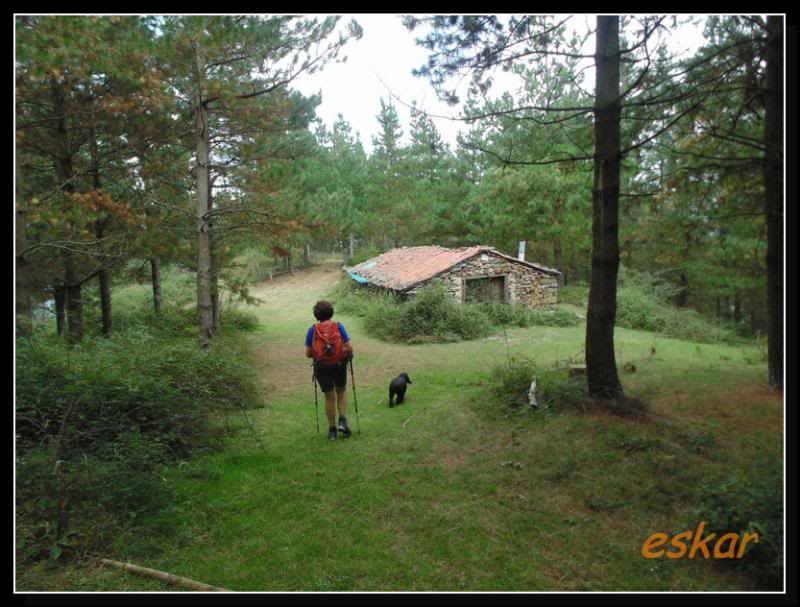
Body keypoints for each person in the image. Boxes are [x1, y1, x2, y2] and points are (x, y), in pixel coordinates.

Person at [305, 300, 354, 440]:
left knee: (329, 397)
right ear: (331, 312)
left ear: (316, 315)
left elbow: (308, 353)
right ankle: (343, 421)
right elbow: (350, 348)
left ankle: (332, 431)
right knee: (341, 391)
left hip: (321, 367)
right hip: (339, 364)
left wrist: (320, 353)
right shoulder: (338, 326)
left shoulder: (312, 330)